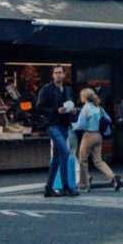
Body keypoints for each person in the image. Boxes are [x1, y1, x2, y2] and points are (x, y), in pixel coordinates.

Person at [36, 65, 79, 197]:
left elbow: (70, 103)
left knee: (56, 158)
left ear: (64, 75)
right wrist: (55, 110)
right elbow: (39, 108)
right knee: (65, 153)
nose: (58, 75)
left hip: (64, 125)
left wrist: (72, 110)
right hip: (51, 124)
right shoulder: (46, 89)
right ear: (52, 75)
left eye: (60, 72)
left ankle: (49, 187)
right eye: (56, 73)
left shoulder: (67, 90)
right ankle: (66, 186)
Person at [76, 88, 120, 192]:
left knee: (83, 160)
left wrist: (73, 127)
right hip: (98, 135)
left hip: (88, 135)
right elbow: (108, 119)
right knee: (98, 160)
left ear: (85, 98)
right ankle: (113, 176)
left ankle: (85, 183)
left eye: (81, 96)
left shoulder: (85, 108)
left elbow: (81, 124)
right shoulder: (98, 108)